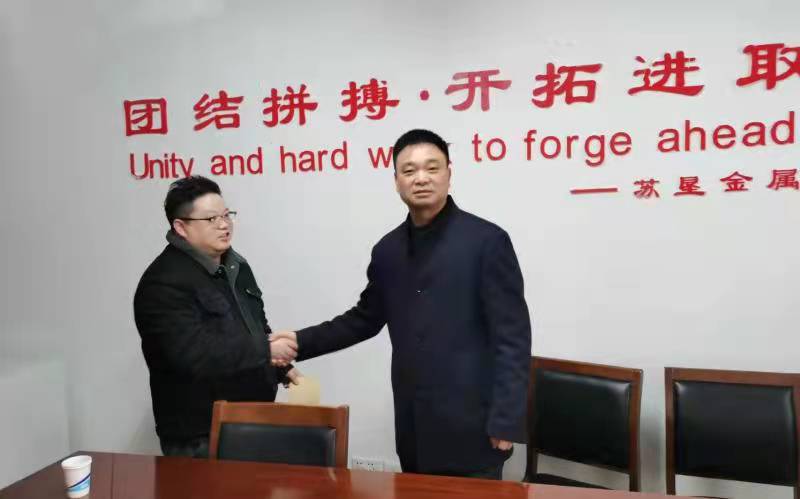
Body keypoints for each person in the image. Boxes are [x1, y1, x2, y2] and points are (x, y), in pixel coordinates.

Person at [271, 129, 532, 479]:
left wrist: (506, 420)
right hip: (413, 427)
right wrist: (299, 341)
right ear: (396, 181)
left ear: (449, 173)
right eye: (409, 170)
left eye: (432, 168)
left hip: (474, 426)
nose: (421, 178)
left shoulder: (487, 241)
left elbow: (512, 339)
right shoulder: (387, 250)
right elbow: (363, 319)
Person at [134, 176, 299, 458]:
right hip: (201, 435)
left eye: (226, 215)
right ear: (181, 227)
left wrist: (280, 367)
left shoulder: (236, 266)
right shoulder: (163, 283)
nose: (224, 225)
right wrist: (266, 350)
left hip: (252, 420)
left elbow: (254, 326)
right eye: (212, 219)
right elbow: (193, 354)